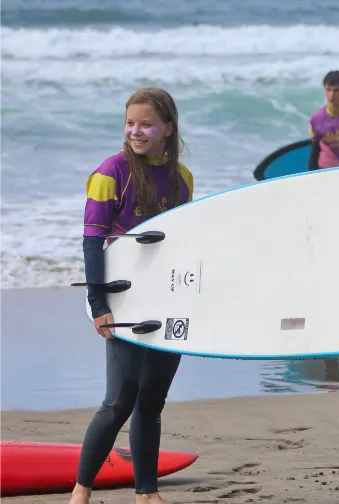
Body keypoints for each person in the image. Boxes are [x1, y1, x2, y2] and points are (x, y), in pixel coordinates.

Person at [69, 87, 194, 504]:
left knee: (152, 399)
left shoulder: (182, 179)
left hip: (167, 297)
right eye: (130, 123)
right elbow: (92, 243)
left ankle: (146, 494)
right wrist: (100, 306)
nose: (135, 131)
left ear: (168, 128)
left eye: (145, 124)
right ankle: (81, 492)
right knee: (119, 400)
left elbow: (183, 248)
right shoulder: (110, 174)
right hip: (121, 300)